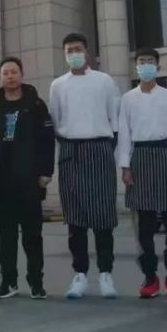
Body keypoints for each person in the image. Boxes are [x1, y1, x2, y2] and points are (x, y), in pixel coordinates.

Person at [48, 33, 120, 300]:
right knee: (75, 219)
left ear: (87, 52)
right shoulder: (58, 85)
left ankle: (106, 274)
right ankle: (79, 274)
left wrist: (107, 148)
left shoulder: (104, 81)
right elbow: (55, 120)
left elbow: (115, 118)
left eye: (78, 49)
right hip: (71, 151)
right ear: (64, 55)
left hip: (99, 148)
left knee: (103, 218)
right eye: (69, 50)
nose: (74, 54)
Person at [0, 57, 55, 300]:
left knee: (33, 234)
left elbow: (47, 139)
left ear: (21, 74)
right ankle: (8, 281)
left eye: (14, 72)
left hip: (29, 177)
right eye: (6, 72)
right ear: (0, 77)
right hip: (0, 178)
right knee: (6, 235)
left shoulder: (36, 104)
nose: (10, 76)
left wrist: (46, 171)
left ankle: (36, 282)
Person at [118, 48, 167, 299]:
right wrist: (125, 166)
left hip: (166, 156)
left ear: (158, 67)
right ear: (136, 67)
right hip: (140, 158)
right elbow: (124, 133)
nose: (146, 65)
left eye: (150, 62)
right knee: (144, 225)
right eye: (142, 62)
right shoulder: (128, 99)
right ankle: (150, 276)